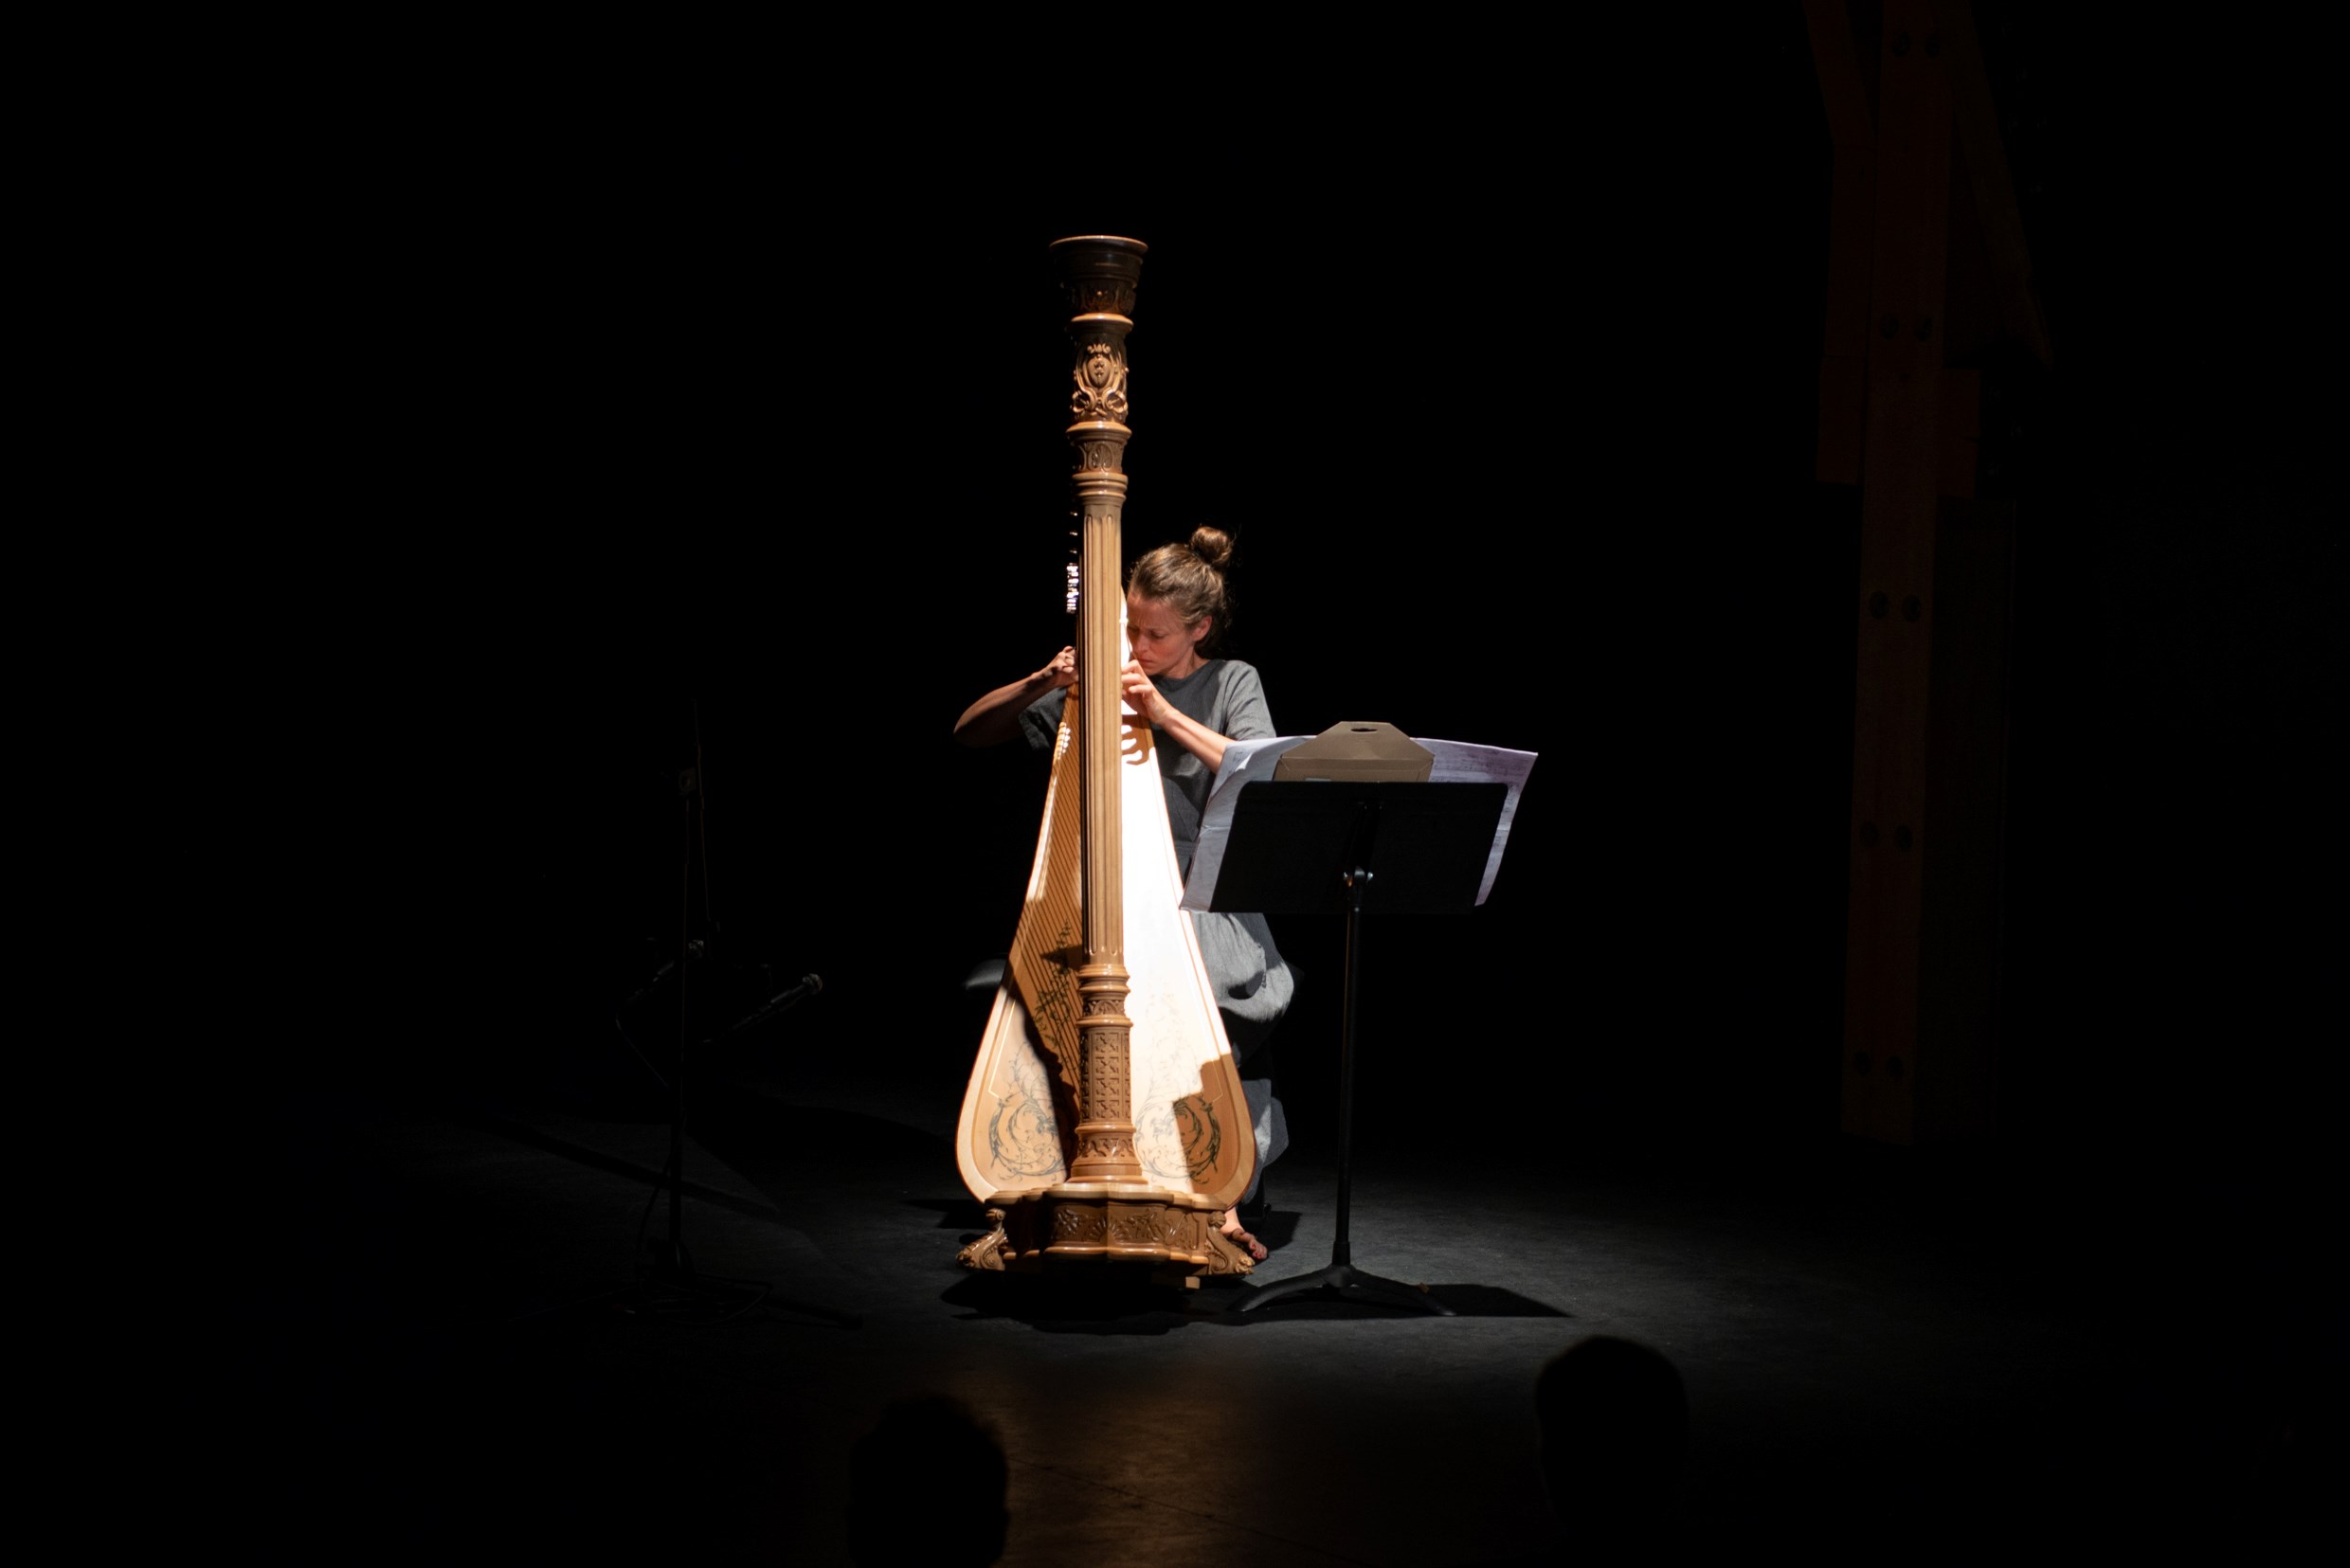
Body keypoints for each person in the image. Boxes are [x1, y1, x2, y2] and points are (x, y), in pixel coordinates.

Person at [955, 526, 1292, 1261]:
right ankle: (1062, 1176)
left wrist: (1164, 714)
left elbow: (1259, 768)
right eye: (1128, 627)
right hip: (1109, 890)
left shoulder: (1230, 680)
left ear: (1200, 628)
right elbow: (970, 731)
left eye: (1155, 634)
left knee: (1198, 991)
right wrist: (1044, 680)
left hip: (1202, 896)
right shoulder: (1095, 684)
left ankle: (1214, 1192)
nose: (1136, 645)